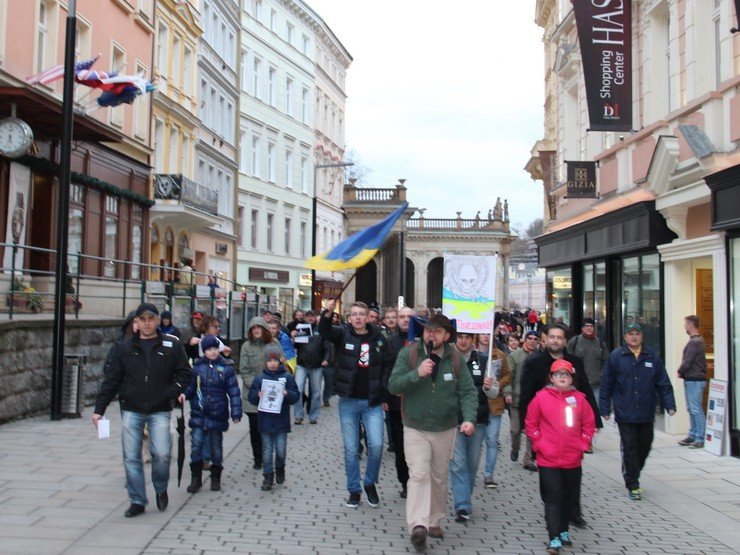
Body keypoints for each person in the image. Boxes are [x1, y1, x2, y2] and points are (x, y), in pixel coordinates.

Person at [387, 315, 478, 552]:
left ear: (447, 336)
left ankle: (434, 520)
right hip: (415, 426)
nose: (431, 335)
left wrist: (468, 418)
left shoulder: (455, 358)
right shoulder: (409, 354)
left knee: (439, 476)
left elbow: (468, 392)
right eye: (429, 330)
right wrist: (416, 373)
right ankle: (418, 526)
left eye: (438, 332)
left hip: (445, 428)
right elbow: (393, 385)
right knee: (418, 475)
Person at [92, 303, 191, 518]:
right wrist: (99, 409)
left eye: (151, 319)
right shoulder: (124, 348)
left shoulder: (171, 346)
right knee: (131, 457)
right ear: (136, 322)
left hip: (160, 409)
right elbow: (112, 380)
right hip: (132, 409)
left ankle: (160, 487)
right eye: (142, 319)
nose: (147, 323)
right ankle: (137, 499)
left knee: (162, 454)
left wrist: (171, 391)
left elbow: (185, 374)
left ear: (157, 321)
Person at [519, 323, 602, 527]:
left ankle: (573, 512)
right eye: (552, 337)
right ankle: (553, 510)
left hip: (571, 431)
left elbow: (586, 392)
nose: (555, 340)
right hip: (543, 431)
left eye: (559, 337)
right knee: (548, 478)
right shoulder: (535, 362)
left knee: (573, 475)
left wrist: (596, 421)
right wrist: (525, 425)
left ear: (565, 341)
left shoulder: (575, 362)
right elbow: (526, 395)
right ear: (545, 339)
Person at [319, 298, 394, 509]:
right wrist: (327, 313)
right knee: (351, 449)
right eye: (354, 314)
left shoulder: (378, 337)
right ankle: (354, 489)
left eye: (362, 314)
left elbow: (389, 362)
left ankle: (370, 483)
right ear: (349, 317)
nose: (358, 318)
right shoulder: (343, 334)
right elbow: (324, 331)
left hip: (373, 401)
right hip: (349, 401)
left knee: (377, 445)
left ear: (369, 317)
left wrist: (384, 384)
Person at [526, 359, 595, 555]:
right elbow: (531, 423)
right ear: (551, 377)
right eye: (558, 374)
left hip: (572, 459)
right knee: (553, 497)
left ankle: (564, 529)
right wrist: (539, 443)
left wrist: (583, 443)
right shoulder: (540, 398)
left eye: (566, 374)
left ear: (572, 377)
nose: (562, 378)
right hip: (548, 459)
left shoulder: (580, 399)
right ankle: (554, 536)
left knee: (568, 497)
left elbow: (588, 424)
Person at [600, 322, 676, 501]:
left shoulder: (652, 357)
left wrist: (669, 404)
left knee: (645, 445)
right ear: (625, 337)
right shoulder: (616, 357)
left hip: (646, 410)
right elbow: (606, 385)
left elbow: (663, 383)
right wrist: (604, 408)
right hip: (625, 411)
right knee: (630, 447)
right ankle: (633, 483)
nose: (634, 337)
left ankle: (631, 469)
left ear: (642, 336)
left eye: (637, 334)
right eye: (630, 334)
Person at [179, 335, 241, 494]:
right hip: (199, 413)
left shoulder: (226, 369)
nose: (212, 352)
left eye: (215, 349)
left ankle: (215, 477)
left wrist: (236, 412)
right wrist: (185, 394)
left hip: (217, 413)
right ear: (203, 351)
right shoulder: (197, 369)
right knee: (196, 445)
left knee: (216, 448)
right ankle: (196, 478)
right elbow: (191, 388)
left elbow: (234, 392)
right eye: (209, 349)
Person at [449, 332, 500, 522]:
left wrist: (489, 387)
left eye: (467, 337)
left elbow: (494, 393)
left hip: (477, 420)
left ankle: (465, 497)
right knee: (458, 463)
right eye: (460, 337)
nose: (463, 341)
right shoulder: (447, 360)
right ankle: (462, 505)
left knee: (471, 463)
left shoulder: (484, 360)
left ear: (473, 340)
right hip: (453, 420)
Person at [248, 345, 300, 491]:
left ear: (280, 361)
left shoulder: (287, 378)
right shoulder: (260, 379)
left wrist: (287, 394)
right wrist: (257, 395)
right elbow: (251, 397)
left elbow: (295, 396)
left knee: (281, 450)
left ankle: (280, 467)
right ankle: (268, 476)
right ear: (265, 362)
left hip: (281, 422)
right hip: (265, 421)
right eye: (269, 360)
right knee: (267, 449)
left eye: (275, 360)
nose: (272, 363)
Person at [240, 317, 284, 470]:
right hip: (253, 394)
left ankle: (269, 456)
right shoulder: (246, 346)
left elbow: (281, 364)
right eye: (253, 328)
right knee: (255, 429)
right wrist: (257, 386)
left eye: (259, 327)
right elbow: (244, 371)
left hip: (272, 394)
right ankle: (258, 457)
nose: (256, 330)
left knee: (269, 428)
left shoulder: (274, 344)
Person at [382, 306, 412, 497]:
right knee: (401, 447)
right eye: (401, 317)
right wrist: (385, 396)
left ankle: (418, 480)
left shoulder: (424, 340)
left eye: (409, 317)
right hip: (396, 403)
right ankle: (405, 482)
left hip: (419, 404)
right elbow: (385, 370)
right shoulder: (390, 342)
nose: (405, 320)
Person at [482, 336, 512, 488]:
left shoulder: (499, 355)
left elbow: (508, 374)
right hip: (477, 403)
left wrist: (498, 384)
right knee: (473, 441)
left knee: (492, 440)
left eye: (488, 334)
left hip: (494, 403)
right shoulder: (470, 352)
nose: (485, 337)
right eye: (483, 333)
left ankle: (489, 474)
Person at [292, 310, 330, 424]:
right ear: (304, 317)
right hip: (302, 364)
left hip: (317, 365)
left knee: (316, 392)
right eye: (307, 316)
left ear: (315, 318)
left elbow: (327, 347)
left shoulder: (320, 330)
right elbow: (296, 346)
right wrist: (294, 337)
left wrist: (326, 359)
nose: (310, 318)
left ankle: (313, 416)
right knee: (298, 390)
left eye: (312, 316)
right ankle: (298, 415)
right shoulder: (301, 328)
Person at [508, 330, 539, 467]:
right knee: (515, 430)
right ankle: (515, 449)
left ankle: (528, 459)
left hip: (534, 401)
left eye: (535, 339)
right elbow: (509, 376)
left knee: (531, 431)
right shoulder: (515, 356)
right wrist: (507, 392)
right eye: (530, 338)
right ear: (524, 340)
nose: (532, 341)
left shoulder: (540, 357)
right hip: (517, 400)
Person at [677, 315, 708, 448]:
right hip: (692, 379)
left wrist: (680, 371)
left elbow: (688, 360)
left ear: (691, 324)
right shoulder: (697, 341)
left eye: (685, 324)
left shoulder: (695, 342)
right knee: (692, 408)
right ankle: (693, 434)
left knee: (695, 408)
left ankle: (700, 437)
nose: (684, 326)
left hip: (695, 379)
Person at [566, 318, 608, 402]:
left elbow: (606, 361)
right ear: (582, 328)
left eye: (591, 326)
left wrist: (601, 374)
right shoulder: (574, 342)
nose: (589, 328)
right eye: (586, 326)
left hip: (595, 384)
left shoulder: (600, 343)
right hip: (578, 384)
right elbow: (567, 359)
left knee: (595, 407)